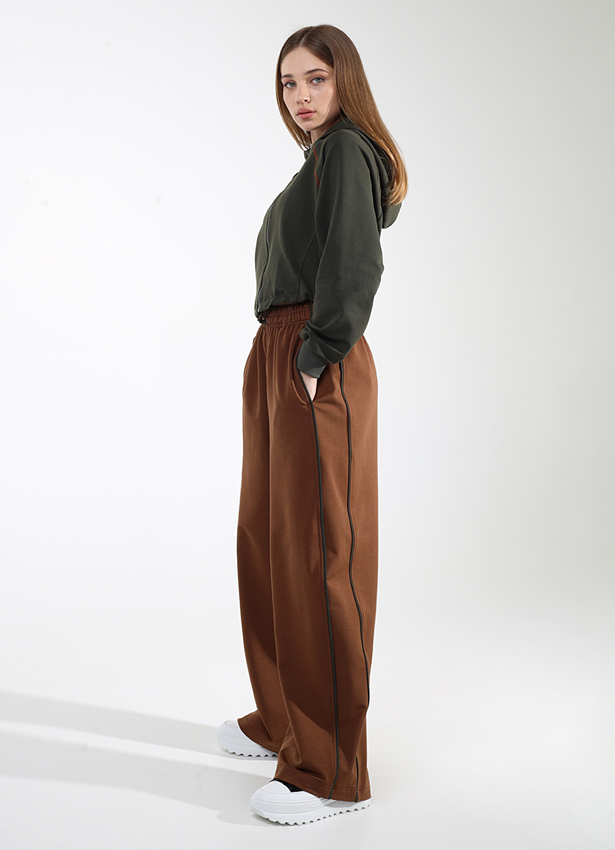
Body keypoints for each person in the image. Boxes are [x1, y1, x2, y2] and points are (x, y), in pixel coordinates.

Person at [216, 23, 407, 825]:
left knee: (320, 550)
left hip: (314, 356)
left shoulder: (347, 151)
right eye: (288, 82)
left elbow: (354, 262)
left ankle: (329, 771)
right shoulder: (317, 160)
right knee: (267, 538)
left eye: (315, 79)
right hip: (280, 352)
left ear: (344, 81)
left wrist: (317, 351)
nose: (299, 95)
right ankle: (285, 720)